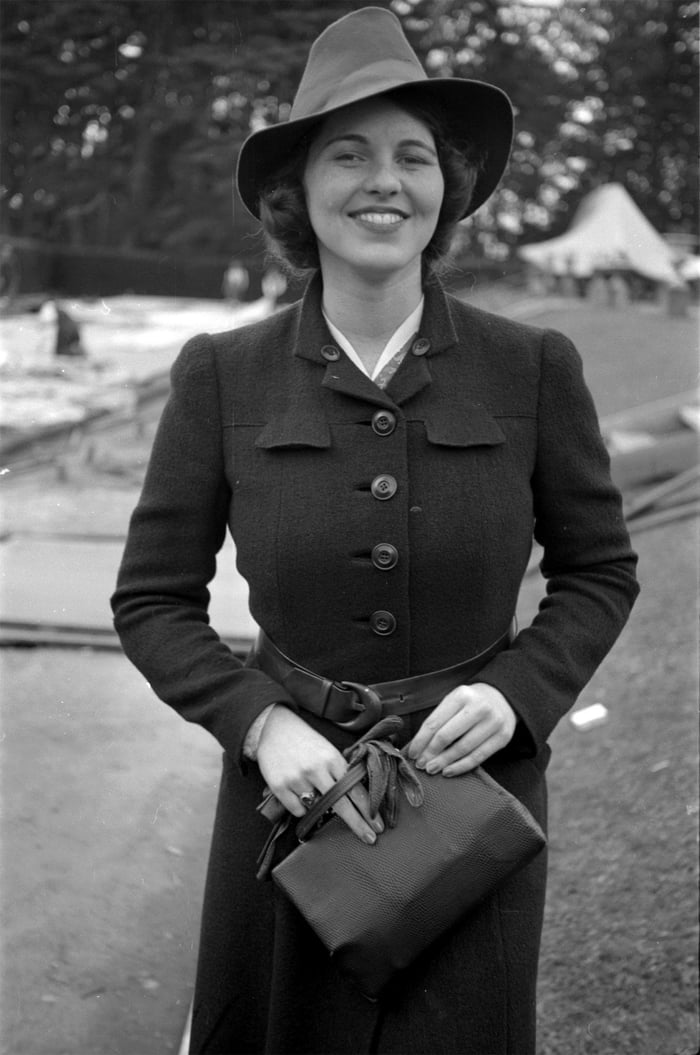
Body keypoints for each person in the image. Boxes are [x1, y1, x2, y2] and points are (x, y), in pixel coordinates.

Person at [111, 8, 639, 1054]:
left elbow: (598, 570)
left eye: (412, 157)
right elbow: (151, 599)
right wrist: (261, 725)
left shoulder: (531, 364)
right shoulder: (221, 373)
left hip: (470, 808)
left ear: (445, 192)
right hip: (285, 811)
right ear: (296, 195)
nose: (382, 182)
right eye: (347, 156)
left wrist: (518, 693)